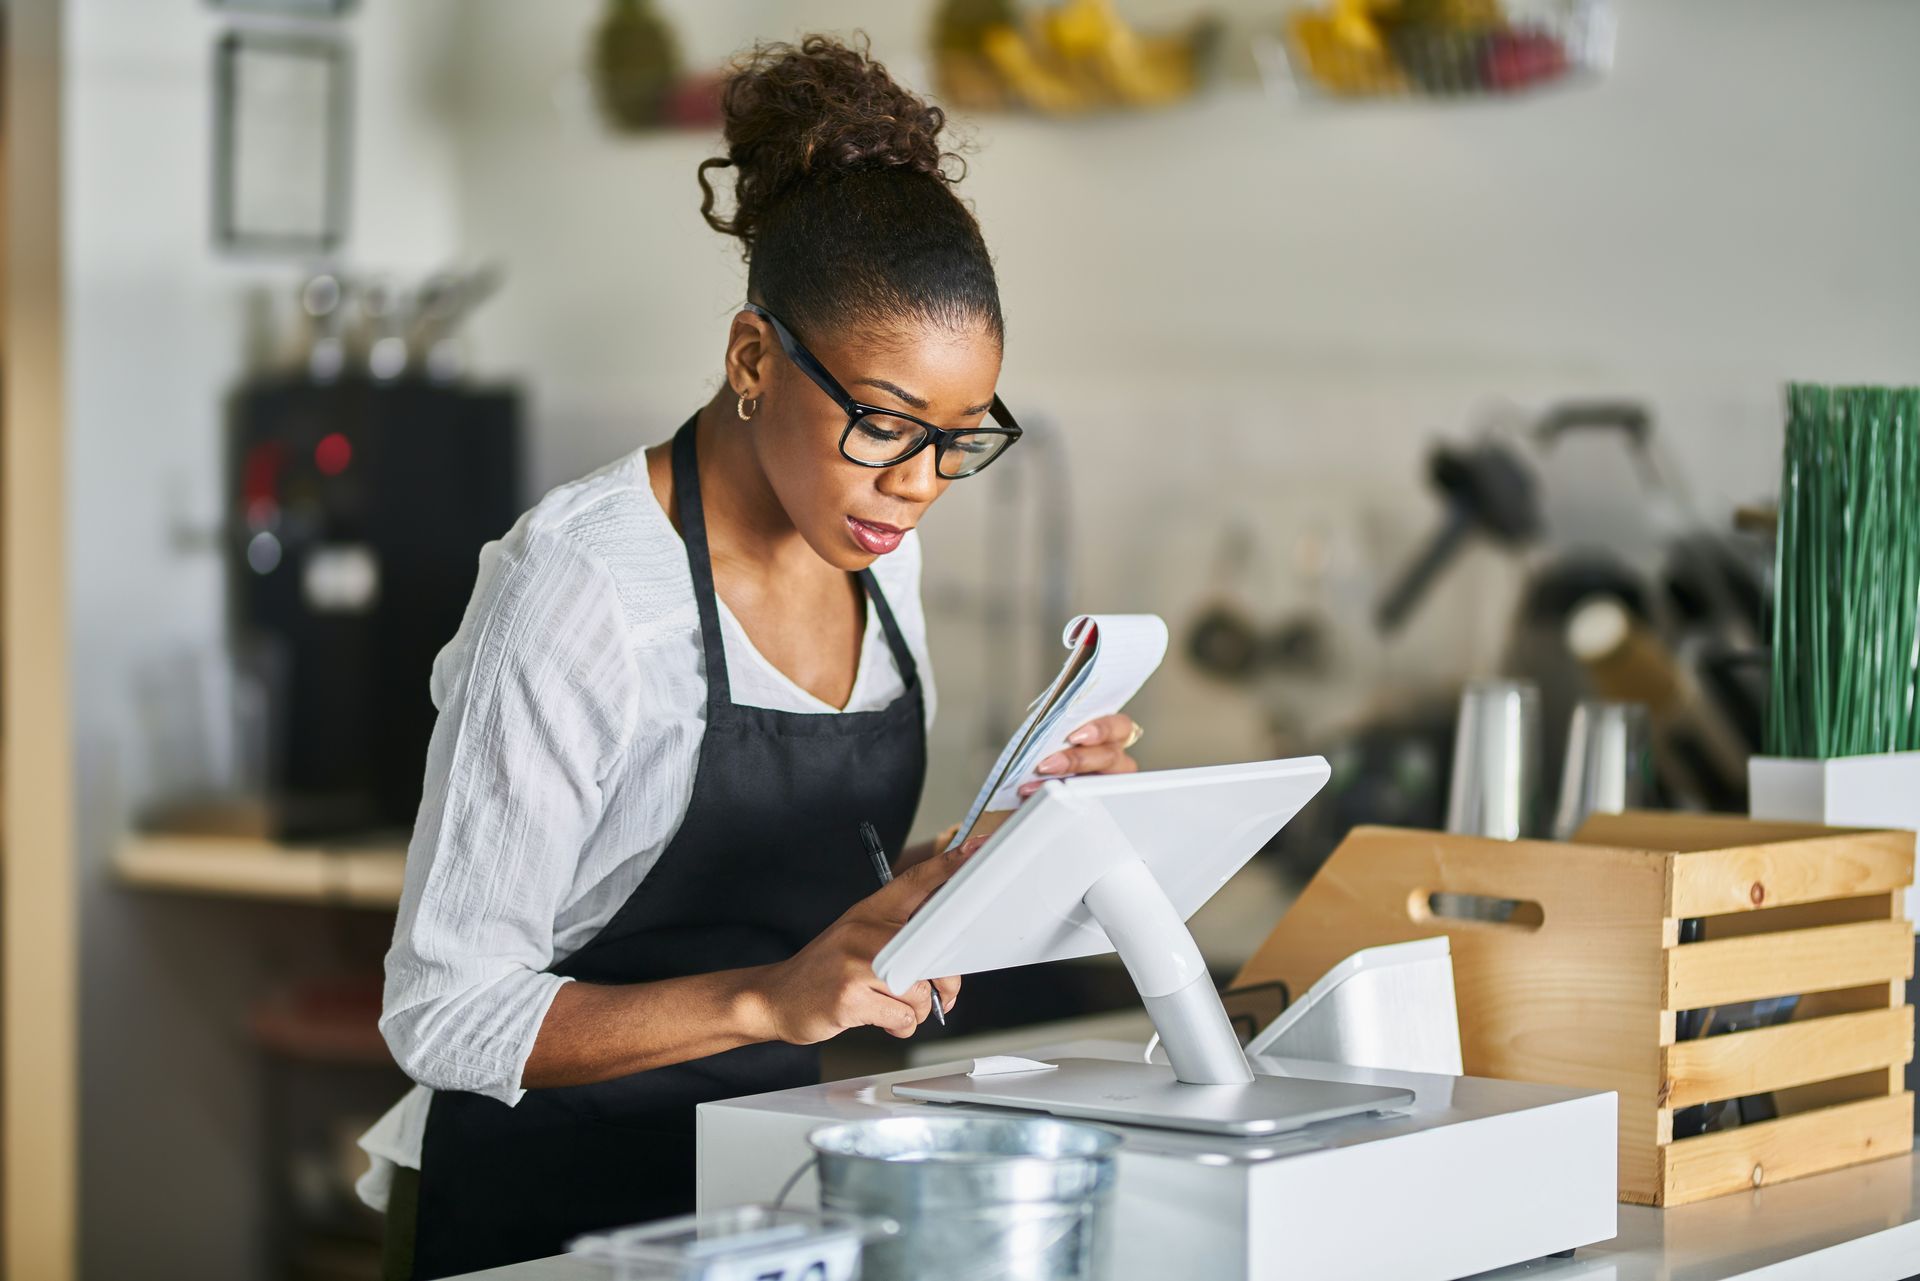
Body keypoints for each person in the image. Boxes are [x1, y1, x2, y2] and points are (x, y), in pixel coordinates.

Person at [357, 34, 1144, 1280]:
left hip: (767, 1191)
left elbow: (819, 928)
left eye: (957, 439)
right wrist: (767, 1001)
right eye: (884, 424)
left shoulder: (876, 546)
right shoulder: (579, 588)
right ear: (752, 360)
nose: (920, 485)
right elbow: (441, 1012)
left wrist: (993, 853)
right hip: (543, 1211)